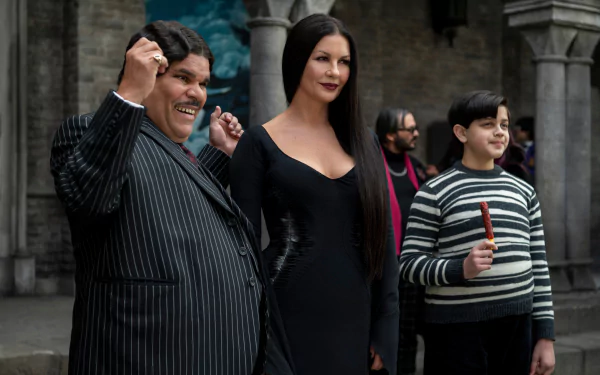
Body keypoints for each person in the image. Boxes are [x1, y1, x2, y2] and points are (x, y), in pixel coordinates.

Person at [50, 20, 293, 375]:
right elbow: (90, 198)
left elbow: (169, 207)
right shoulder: (89, 131)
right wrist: (128, 94)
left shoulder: (174, 150)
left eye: (203, 83)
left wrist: (219, 156)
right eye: (183, 78)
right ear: (146, 73)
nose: (198, 93)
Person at [230, 14, 399, 375]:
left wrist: (385, 328)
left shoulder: (364, 140)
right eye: (322, 58)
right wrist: (260, 338)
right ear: (297, 60)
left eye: (344, 62)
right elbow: (239, 250)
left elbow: (383, 240)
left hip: (355, 318)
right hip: (284, 317)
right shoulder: (257, 143)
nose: (334, 72)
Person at [399, 91, 555, 375]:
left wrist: (545, 335)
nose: (500, 132)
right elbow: (408, 265)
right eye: (487, 124)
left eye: (504, 125)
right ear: (461, 132)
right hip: (455, 329)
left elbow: (539, 265)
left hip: (518, 324)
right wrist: (461, 268)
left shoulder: (524, 191)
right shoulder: (434, 192)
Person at [375, 108, 427, 375]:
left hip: (414, 264)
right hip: (384, 266)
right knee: (391, 335)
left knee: (412, 334)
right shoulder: (371, 166)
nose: (416, 133)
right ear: (390, 135)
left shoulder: (416, 167)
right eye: (410, 129)